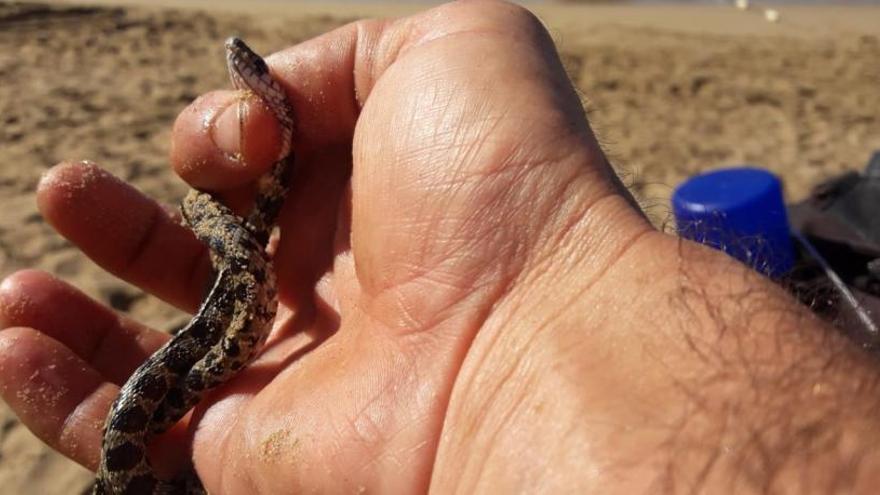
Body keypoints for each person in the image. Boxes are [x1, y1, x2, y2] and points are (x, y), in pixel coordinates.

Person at [1, 1, 878, 493]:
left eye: (251, 74)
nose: (240, 69)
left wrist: (517, 312)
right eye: (245, 71)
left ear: (265, 90)